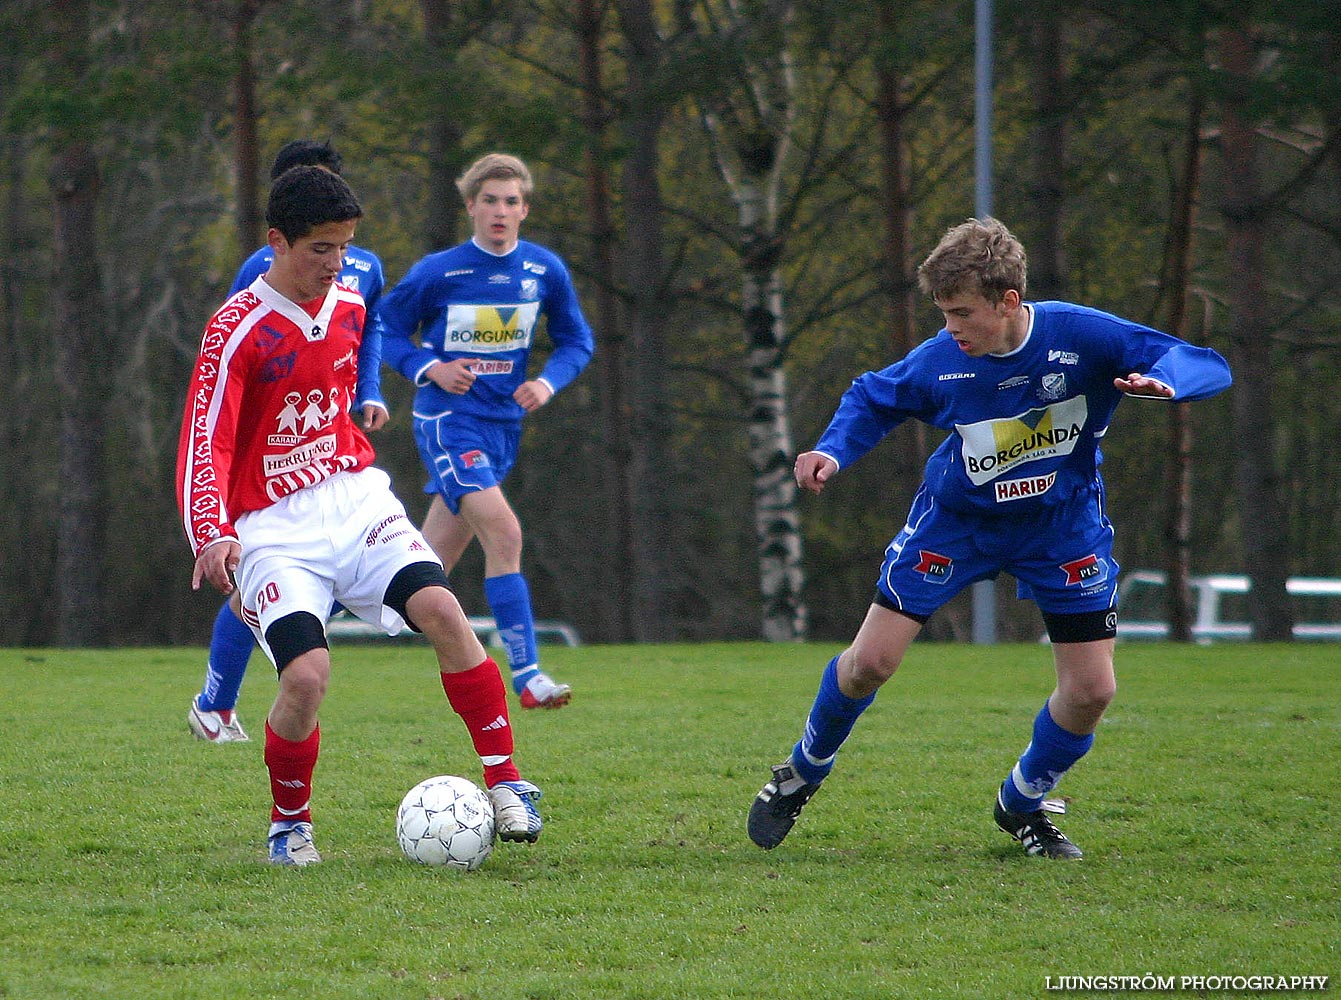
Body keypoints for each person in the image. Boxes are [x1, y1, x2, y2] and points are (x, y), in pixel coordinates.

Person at [747, 217, 1232, 859]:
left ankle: (1024, 802)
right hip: (958, 525)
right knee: (869, 665)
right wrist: (832, 452)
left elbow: (1199, 362)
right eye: (943, 312)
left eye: (961, 312)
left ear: (1009, 302)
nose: (951, 328)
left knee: (1093, 691)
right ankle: (802, 771)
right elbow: (873, 398)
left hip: (1062, 529)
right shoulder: (942, 362)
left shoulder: (1082, 335)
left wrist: (1168, 385)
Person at [176, 165, 544, 865]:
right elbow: (205, 442)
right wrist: (212, 529)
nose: (337, 263)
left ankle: (505, 780)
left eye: (344, 247)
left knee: (441, 608)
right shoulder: (234, 331)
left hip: (352, 495)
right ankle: (290, 824)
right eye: (320, 248)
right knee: (307, 675)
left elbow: (350, 367)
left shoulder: (346, 301)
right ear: (277, 243)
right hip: (270, 526)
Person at [187, 139, 390, 744]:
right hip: (269, 463)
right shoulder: (262, 270)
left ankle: (219, 705)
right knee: (267, 578)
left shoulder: (366, 267)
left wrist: (366, 389)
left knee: (313, 588)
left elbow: (367, 325)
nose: (331, 253)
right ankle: (217, 701)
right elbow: (238, 353)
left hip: (329, 446)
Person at [379, 153, 594, 710]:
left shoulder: (544, 270)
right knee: (505, 534)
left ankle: (317, 610)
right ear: (470, 205)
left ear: (525, 209)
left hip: (502, 427)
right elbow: (384, 329)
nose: (501, 211)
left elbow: (577, 341)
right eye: (490, 200)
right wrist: (431, 368)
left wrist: (547, 383)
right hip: (448, 421)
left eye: (512, 201)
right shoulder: (439, 271)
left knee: (424, 565)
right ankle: (527, 676)